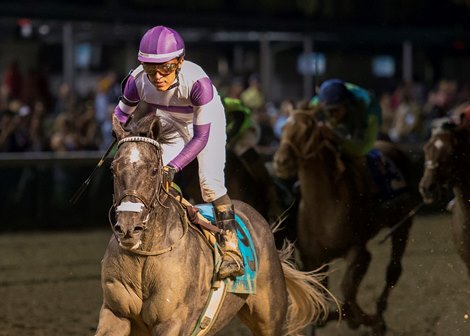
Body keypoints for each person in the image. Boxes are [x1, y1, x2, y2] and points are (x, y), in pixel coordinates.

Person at [113, 25, 244, 279]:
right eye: (151, 70)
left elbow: (201, 137)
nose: (159, 77)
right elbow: (120, 115)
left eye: (166, 68)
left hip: (204, 122)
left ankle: (231, 251)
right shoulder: (135, 81)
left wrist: (173, 167)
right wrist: (120, 137)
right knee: (149, 175)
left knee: (210, 184)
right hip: (168, 120)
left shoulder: (199, 84)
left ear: (180, 62)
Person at [312, 79, 406, 200]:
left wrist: (337, 138)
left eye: (336, 110)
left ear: (346, 106)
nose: (332, 115)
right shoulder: (315, 104)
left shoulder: (366, 110)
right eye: (328, 111)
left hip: (362, 122)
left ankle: (384, 192)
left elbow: (361, 149)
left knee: (363, 159)